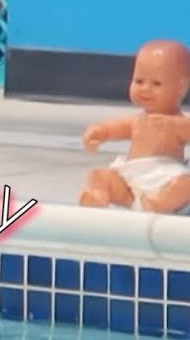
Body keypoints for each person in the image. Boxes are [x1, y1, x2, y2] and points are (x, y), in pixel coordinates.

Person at [79, 39, 190, 214]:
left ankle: (156, 205)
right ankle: (96, 198)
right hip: (130, 176)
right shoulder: (137, 120)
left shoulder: (178, 123)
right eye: (139, 81)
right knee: (99, 176)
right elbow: (115, 128)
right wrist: (99, 132)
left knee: (185, 184)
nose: (145, 88)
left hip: (164, 176)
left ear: (181, 87)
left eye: (156, 84)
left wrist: (177, 126)